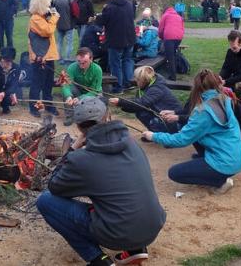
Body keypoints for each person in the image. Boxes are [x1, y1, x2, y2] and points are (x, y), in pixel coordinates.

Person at [37, 96, 165, 266]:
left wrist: (72, 149)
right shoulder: (131, 143)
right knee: (122, 192)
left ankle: (98, 260)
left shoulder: (81, 159)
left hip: (117, 233)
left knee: (45, 201)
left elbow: (54, 186)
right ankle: (136, 249)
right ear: (108, 115)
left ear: (79, 126)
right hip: (152, 226)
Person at [143, 69, 241, 194]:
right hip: (237, 157)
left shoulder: (203, 111)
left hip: (224, 163)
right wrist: (175, 113)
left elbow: (181, 139)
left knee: (174, 173)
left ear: (196, 87)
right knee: (196, 137)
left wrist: (153, 136)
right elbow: (194, 121)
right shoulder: (224, 100)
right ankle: (211, 169)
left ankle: (220, 181)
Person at [109, 66, 182, 133]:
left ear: (143, 80)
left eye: (137, 79)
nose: (135, 81)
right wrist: (120, 105)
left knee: (144, 114)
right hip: (164, 117)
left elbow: (142, 103)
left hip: (176, 122)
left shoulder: (157, 89)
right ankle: (156, 133)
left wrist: (120, 101)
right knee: (141, 112)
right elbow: (137, 106)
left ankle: (164, 135)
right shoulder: (145, 88)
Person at [96, 0, 136, 94]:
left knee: (115, 63)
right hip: (130, 37)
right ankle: (128, 83)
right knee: (127, 60)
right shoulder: (129, 4)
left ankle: (118, 87)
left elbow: (102, 21)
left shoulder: (109, 7)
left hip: (115, 39)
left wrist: (98, 16)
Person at [27, 0, 59, 117]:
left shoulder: (44, 17)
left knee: (48, 84)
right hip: (39, 57)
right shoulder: (35, 18)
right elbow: (48, 31)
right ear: (42, 5)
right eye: (48, 5)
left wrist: (50, 17)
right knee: (37, 83)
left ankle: (49, 105)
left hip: (48, 56)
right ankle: (33, 107)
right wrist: (54, 17)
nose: (50, 7)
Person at [61, 47, 103, 126]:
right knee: (67, 91)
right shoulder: (72, 67)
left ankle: (91, 119)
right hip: (79, 90)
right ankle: (70, 116)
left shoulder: (97, 70)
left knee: (98, 103)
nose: (81, 65)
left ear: (91, 59)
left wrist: (80, 98)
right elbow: (66, 85)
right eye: (79, 62)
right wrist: (68, 96)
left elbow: (95, 90)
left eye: (84, 62)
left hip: (93, 92)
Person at [158, 5, 184, 81]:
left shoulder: (165, 15)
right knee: (173, 54)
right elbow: (182, 28)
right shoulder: (179, 16)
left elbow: (160, 29)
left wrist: (162, 38)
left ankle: (172, 76)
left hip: (169, 37)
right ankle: (174, 70)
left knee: (170, 57)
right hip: (179, 38)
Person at [54, 0, 75, 65]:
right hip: (69, 25)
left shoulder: (55, 1)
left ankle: (58, 58)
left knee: (59, 42)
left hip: (58, 25)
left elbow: (52, 11)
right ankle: (68, 58)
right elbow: (75, 13)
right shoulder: (72, 0)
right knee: (69, 43)